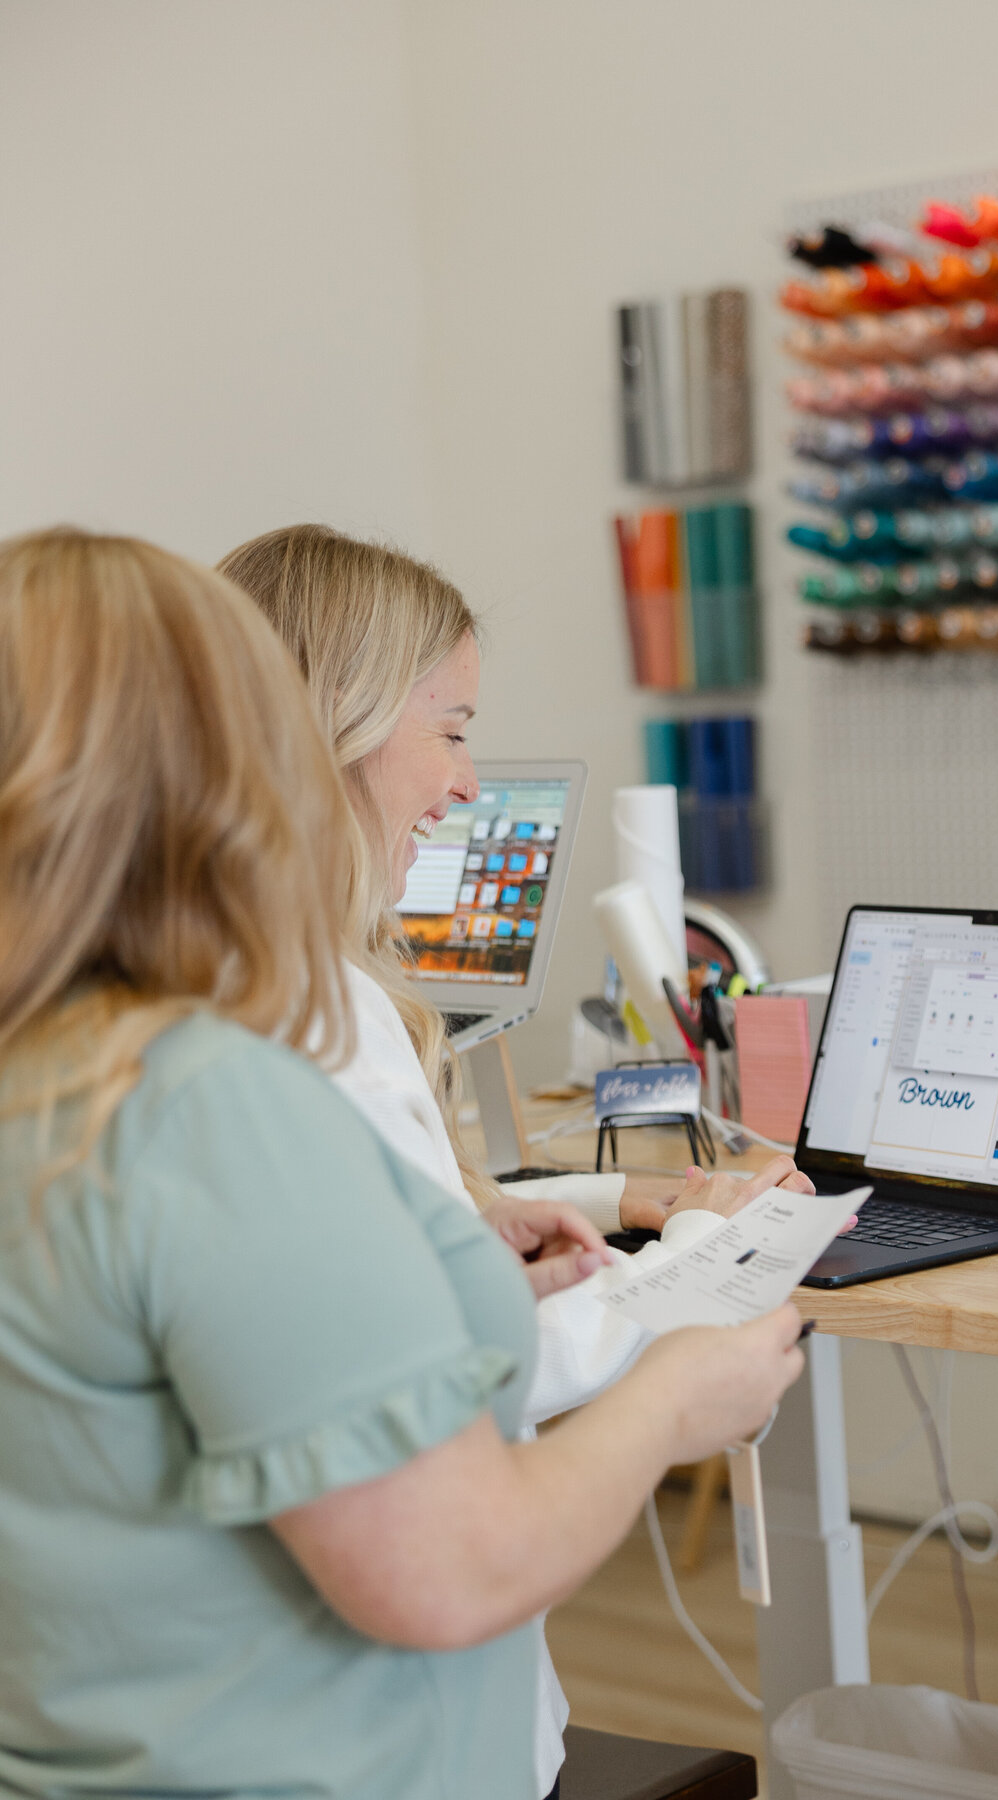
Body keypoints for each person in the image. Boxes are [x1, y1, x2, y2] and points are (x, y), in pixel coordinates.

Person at [0, 526, 809, 1800]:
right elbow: (448, 1566)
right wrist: (681, 1386)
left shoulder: (53, 1071)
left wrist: (455, 1243)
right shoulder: (209, 1096)